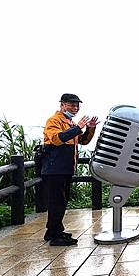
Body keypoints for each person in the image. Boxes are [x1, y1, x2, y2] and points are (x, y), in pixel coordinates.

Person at [41, 94, 98, 245]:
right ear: (62, 105)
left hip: (65, 169)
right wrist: (78, 127)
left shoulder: (70, 122)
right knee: (56, 202)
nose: (75, 108)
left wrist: (90, 128)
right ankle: (55, 236)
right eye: (72, 105)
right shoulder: (54, 120)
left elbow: (83, 141)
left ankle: (53, 231)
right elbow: (56, 139)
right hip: (54, 169)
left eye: (77, 105)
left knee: (62, 201)